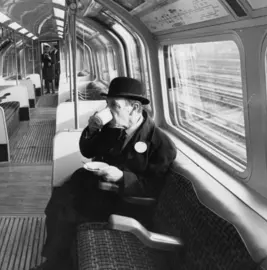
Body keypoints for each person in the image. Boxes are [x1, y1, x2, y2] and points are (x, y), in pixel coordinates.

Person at [30, 77, 177, 270]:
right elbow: (88, 151)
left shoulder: (160, 145)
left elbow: (153, 187)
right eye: (107, 105)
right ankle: (56, 260)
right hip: (97, 187)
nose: (109, 111)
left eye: (114, 106)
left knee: (71, 212)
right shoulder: (111, 127)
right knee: (57, 203)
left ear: (135, 108)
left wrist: (122, 177)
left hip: (125, 202)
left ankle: (59, 263)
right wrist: (91, 130)